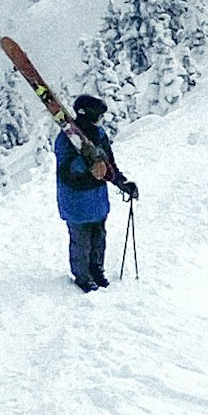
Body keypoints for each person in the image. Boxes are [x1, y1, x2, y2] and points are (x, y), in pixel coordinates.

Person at [54, 92, 141, 291]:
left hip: (97, 200)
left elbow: (109, 166)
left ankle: (97, 271)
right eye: (98, 115)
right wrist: (89, 167)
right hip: (76, 201)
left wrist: (123, 183)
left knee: (98, 239)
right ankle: (83, 277)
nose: (100, 120)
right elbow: (66, 172)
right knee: (81, 243)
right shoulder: (66, 138)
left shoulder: (99, 135)